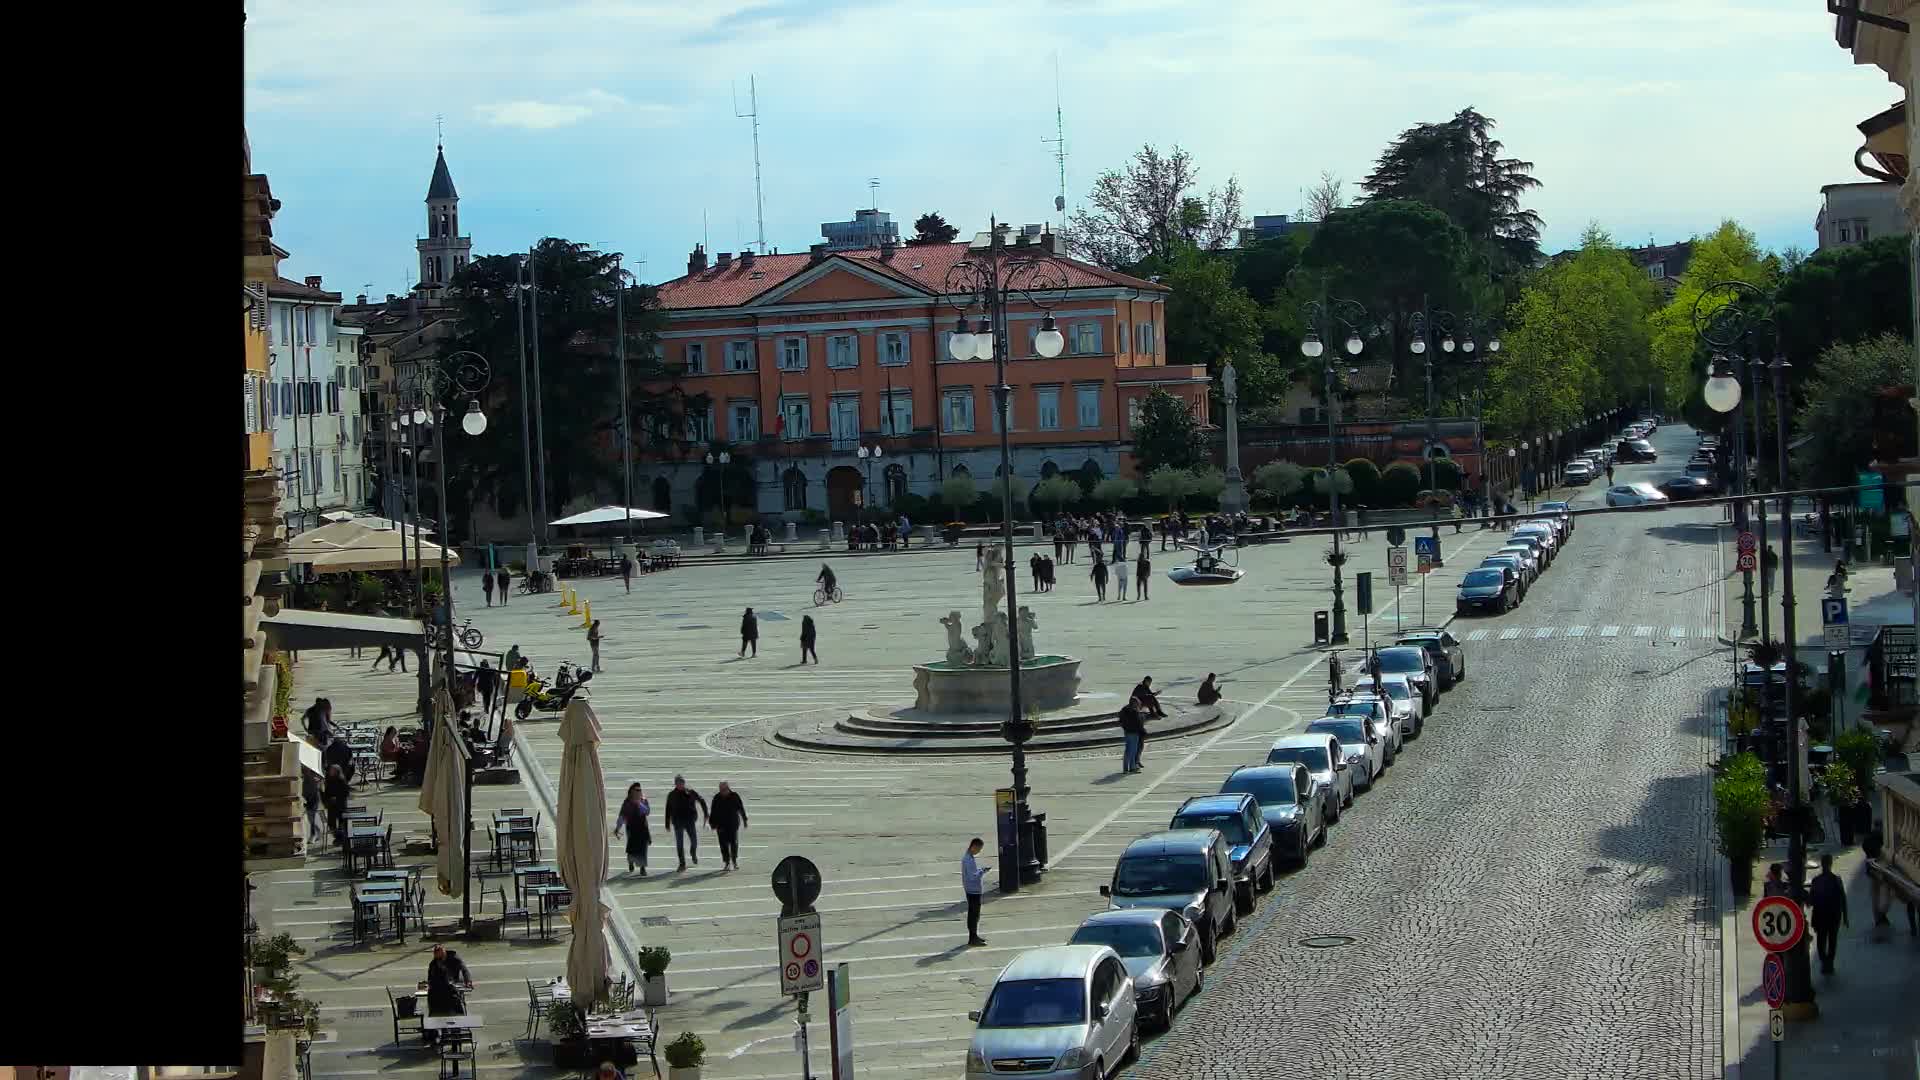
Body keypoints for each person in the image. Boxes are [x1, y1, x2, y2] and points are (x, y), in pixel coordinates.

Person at [1808, 852, 1848, 973]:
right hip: (1833, 916)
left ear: (1822, 864)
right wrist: (1845, 917)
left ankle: (1825, 961)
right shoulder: (1836, 879)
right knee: (1832, 940)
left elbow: (1811, 900)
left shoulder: (1816, 880)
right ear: (1831, 864)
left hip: (1820, 916)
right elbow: (1843, 898)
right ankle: (1829, 963)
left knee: (1821, 940)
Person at [663, 775, 709, 871]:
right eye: (678, 783)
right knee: (679, 843)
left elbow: (701, 800)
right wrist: (667, 823)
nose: (680, 785)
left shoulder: (690, 792)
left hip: (689, 821)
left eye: (681, 783)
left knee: (694, 841)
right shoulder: (672, 795)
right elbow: (668, 809)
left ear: (684, 783)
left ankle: (693, 852)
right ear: (675, 784)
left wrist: (706, 813)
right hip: (678, 822)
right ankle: (682, 863)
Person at [613, 783, 651, 876]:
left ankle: (642, 868)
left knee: (643, 848)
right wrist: (617, 828)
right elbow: (622, 816)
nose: (639, 791)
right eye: (637, 790)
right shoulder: (627, 802)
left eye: (640, 790)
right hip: (631, 828)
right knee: (632, 848)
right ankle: (631, 862)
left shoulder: (644, 800)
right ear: (632, 791)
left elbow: (647, 812)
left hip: (643, 828)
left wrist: (639, 803)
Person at [709, 781, 749, 870]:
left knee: (733, 843)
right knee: (723, 844)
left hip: (732, 824)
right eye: (721, 789)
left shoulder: (734, 796)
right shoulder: (717, 797)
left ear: (728, 788)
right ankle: (727, 862)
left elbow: (740, 808)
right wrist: (712, 823)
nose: (722, 791)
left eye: (724, 789)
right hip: (720, 825)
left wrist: (744, 819)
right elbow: (713, 811)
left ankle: (734, 861)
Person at [961, 838, 991, 946]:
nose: (979, 851)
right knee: (974, 915)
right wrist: (982, 871)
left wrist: (980, 870)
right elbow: (972, 877)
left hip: (972, 890)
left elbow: (972, 873)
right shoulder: (968, 860)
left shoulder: (969, 858)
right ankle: (972, 938)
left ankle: (974, 936)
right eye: (979, 849)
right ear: (974, 846)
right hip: (972, 890)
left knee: (974, 914)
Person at [323, 763, 351, 846]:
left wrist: (337, 798)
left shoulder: (342, 780)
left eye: (332, 770)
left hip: (340, 805)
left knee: (342, 823)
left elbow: (346, 793)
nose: (330, 772)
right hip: (331, 806)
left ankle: (340, 839)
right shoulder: (329, 780)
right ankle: (337, 837)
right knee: (331, 824)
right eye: (330, 770)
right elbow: (326, 793)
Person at [1117, 695, 1145, 774]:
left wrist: (1125, 727)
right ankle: (1132, 767)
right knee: (1133, 751)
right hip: (1134, 732)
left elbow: (1120, 721)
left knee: (1128, 750)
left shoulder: (1124, 710)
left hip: (1127, 732)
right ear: (1135, 703)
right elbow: (1138, 723)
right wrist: (1142, 731)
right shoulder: (1135, 712)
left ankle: (1125, 768)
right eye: (1137, 703)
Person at [302, 767, 323, 846]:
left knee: (311, 818)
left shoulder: (313, 778)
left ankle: (313, 835)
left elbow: (314, 790)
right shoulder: (305, 778)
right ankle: (318, 832)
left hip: (313, 800)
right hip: (308, 800)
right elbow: (304, 791)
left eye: (305, 769)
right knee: (310, 819)